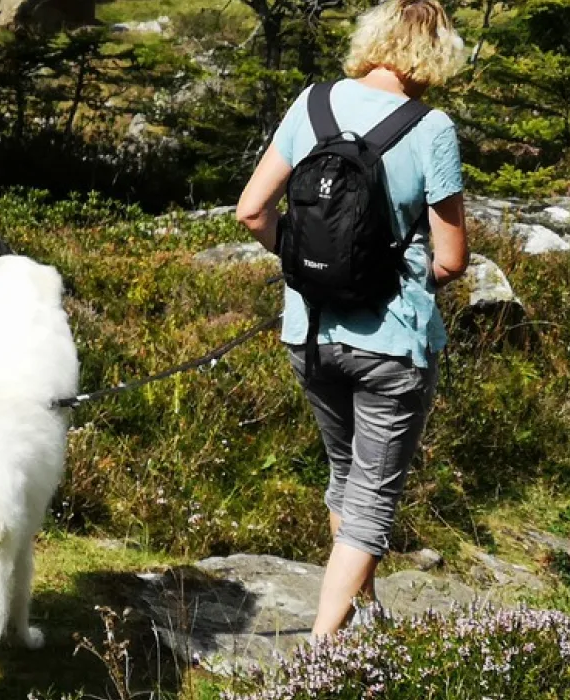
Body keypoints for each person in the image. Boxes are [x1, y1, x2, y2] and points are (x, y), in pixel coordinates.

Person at [234, 0, 469, 638]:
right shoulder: (432, 127)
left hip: (308, 334)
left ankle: (365, 620)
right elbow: (450, 259)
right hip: (392, 344)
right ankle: (323, 649)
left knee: (345, 477)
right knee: (370, 504)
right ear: (438, 53)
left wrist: (312, 270)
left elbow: (252, 211)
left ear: (374, 38)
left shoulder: (312, 104)